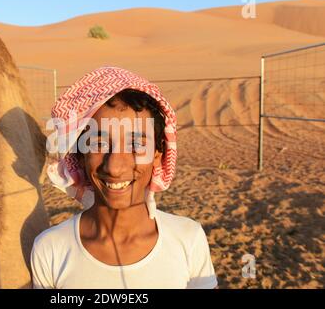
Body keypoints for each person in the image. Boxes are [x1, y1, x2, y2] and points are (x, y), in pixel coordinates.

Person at [31, 67, 217, 289]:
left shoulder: (188, 239)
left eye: (136, 144)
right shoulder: (51, 249)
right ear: (80, 157)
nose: (115, 167)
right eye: (98, 144)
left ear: (158, 155)